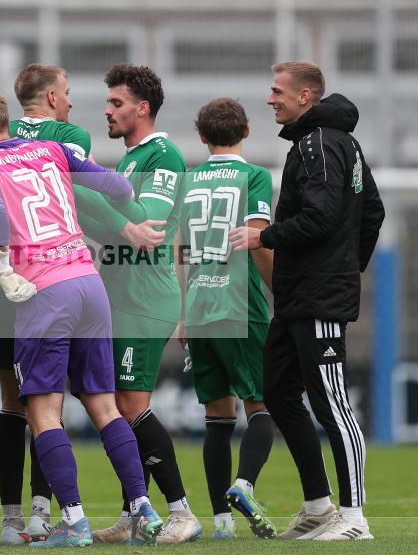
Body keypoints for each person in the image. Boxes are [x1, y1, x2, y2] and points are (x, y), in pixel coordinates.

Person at [0, 87, 164, 548]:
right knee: (105, 407)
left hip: (44, 292)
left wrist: (1, 262)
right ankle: (141, 508)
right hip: (89, 283)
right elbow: (117, 186)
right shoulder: (52, 149)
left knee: (43, 412)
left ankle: (73, 521)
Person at [229, 61, 385, 541]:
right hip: (301, 294)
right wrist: (345, 265)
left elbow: (320, 216)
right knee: (277, 392)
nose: (270, 98)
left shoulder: (319, 144)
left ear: (305, 97)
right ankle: (319, 506)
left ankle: (354, 519)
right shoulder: (331, 143)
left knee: (332, 403)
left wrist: (267, 238)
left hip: (316, 294)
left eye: (277, 91)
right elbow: (372, 212)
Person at [74, 64, 200, 544]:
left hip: (145, 299)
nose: (107, 111)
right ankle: (135, 512)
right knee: (119, 405)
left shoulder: (162, 155)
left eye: (117, 104)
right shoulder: (129, 161)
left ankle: (182, 511)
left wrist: (82, 190)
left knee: (129, 403)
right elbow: (112, 225)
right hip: (120, 296)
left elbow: (147, 222)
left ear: (142, 109)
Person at [0, 63, 92, 544]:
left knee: (10, 400)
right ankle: (44, 515)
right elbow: (79, 192)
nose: (70, 100)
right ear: (49, 97)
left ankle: (10, 522)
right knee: (47, 399)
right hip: (47, 276)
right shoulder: (68, 135)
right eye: (66, 92)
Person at [175, 98, 277, 540]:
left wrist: (183, 312)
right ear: (247, 130)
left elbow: (182, 249)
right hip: (241, 306)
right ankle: (245, 484)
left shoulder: (189, 181)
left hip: (199, 307)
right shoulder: (254, 176)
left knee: (217, 416)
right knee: (261, 405)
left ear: (201, 136)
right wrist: (281, 293)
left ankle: (221, 524)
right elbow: (257, 240)